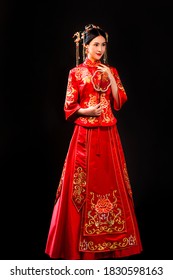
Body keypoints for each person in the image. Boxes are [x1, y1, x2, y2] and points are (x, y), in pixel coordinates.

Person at [45, 23, 143, 260]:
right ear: (86, 46)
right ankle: (77, 248)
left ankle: (114, 244)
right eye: (95, 44)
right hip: (85, 136)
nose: (100, 49)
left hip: (109, 135)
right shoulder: (76, 73)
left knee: (112, 184)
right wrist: (86, 111)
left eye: (103, 45)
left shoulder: (112, 71)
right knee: (81, 188)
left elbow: (119, 102)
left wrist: (109, 74)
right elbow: (69, 107)